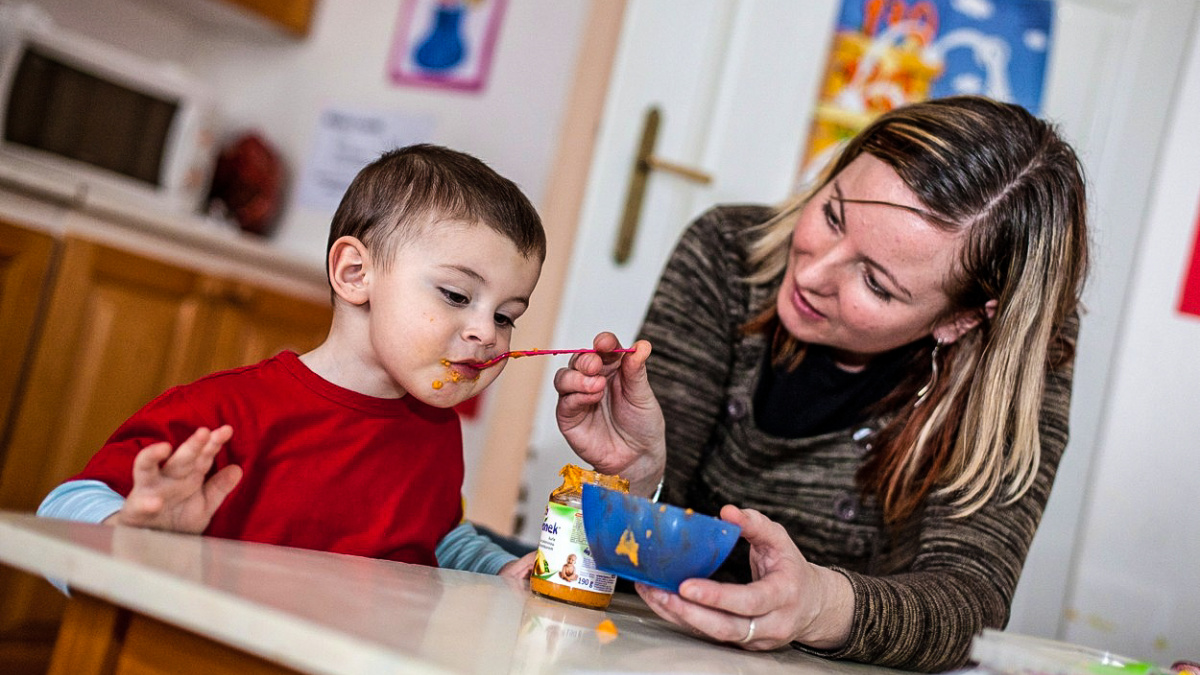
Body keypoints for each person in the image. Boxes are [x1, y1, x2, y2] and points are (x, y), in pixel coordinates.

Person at [553, 96, 1087, 672]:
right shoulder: (727, 254)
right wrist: (641, 478)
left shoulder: (1021, 363)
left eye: (877, 284)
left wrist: (817, 606)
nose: (810, 273)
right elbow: (646, 541)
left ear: (962, 319)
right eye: (833, 216)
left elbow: (970, 601)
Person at [38, 144, 544, 579]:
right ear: (354, 273)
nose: (486, 333)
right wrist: (127, 534)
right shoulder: (226, 413)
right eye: (457, 295)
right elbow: (58, 512)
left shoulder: (436, 431)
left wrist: (497, 568)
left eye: (506, 316)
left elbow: (435, 539)